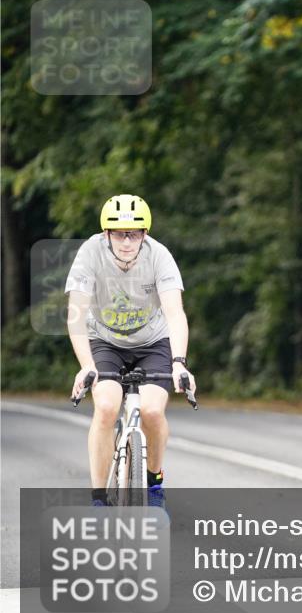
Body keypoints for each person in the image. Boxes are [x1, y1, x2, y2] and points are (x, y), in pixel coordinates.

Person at [65, 194, 196, 508]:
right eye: (119, 234)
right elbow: (75, 315)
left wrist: (179, 363)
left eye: (134, 234)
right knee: (106, 407)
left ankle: (154, 483)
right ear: (106, 234)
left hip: (153, 342)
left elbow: (175, 313)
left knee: (152, 411)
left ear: (145, 234)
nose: (126, 241)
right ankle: (99, 500)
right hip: (105, 341)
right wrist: (86, 365)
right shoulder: (90, 253)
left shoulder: (159, 256)